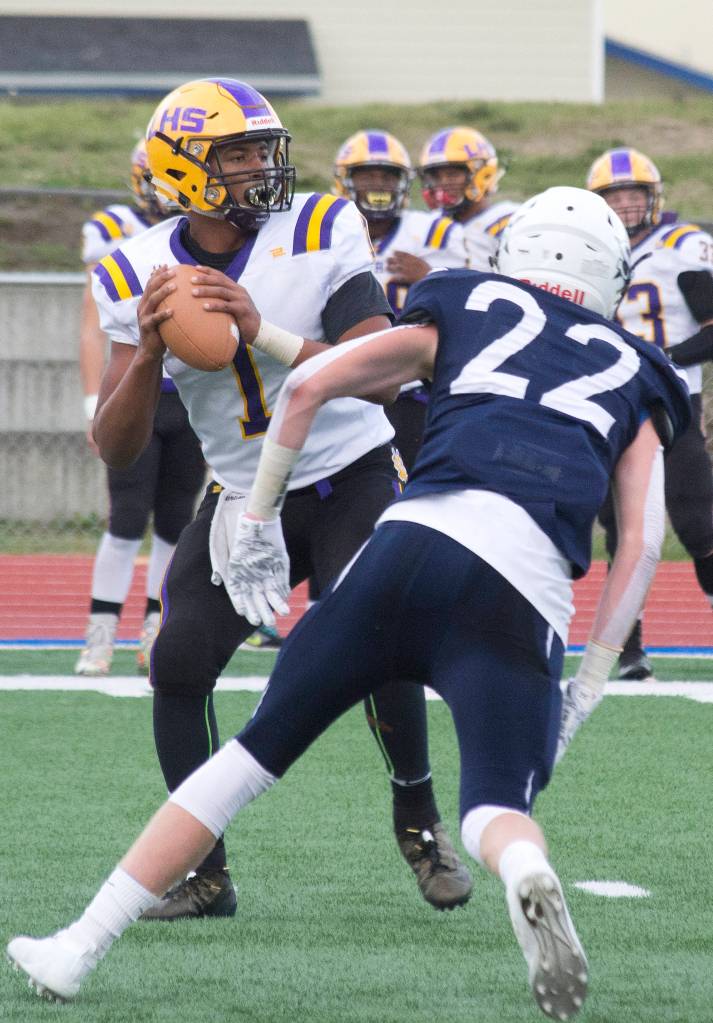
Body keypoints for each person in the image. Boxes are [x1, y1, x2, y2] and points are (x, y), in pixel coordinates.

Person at [7, 187, 691, 1019]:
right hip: (522, 583)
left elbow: (314, 383)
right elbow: (643, 541)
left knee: (246, 760)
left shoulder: (467, 298)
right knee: (497, 808)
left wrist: (254, 516)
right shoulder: (635, 365)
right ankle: (519, 868)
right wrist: (585, 684)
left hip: (410, 542)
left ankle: (77, 945)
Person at [74, 77, 472, 918]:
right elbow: (116, 445)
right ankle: (204, 871)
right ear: (183, 169)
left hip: (350, 469)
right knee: (177, 660)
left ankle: (419, 818)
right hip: (246, 490)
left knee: (376, 634)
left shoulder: (323, 224)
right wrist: (146, 357)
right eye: (241, 153)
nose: (264, 166)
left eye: (265, 148)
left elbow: (384, 373)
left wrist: (262, 330)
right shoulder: (133, 271)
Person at [75, 139, 206, 677]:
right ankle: (100, 631)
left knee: (176, 518)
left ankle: (155, 626)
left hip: (194, 397)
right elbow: (91, 324)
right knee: (127, 516)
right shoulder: (114, 229)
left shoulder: (213, 231)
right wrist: (93, 403)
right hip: (137, 392)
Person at [587, 147, 713, 680]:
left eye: (634, 194)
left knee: (701, 522)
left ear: (653, 197)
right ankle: (628, 651)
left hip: (672, 403)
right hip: (614, 405)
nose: (626, 204)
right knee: (621, 529)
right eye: (614, 196)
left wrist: (661, 361)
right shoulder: (590, 252)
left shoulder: (681, 245)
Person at [333, 129, 467, 470]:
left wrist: (429, 276)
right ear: (345, 181)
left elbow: (468, 302)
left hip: (415, 390)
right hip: (348, 386)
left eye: (387, 176)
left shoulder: (435, 232)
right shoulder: (331, 231)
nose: (378, 184)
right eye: (367, 175)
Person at [416, 126, 518, 271]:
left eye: (452, 174)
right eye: (436, 177)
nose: (443, 183)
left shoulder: (508, 223)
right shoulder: (427, 225)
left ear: (482, 174)